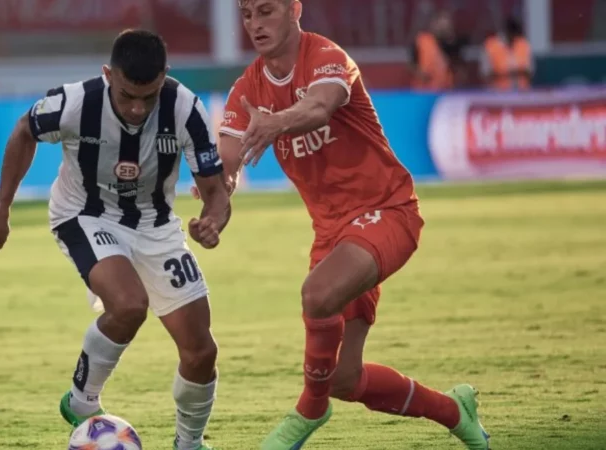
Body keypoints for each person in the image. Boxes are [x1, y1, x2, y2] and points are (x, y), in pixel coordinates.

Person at [215, 1, 490, 449]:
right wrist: (217, 197)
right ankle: (455, 411)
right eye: (247, 15)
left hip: (389, 210)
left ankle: (309, 410)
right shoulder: (247, 88)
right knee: (343, 378)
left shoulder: (328, 57)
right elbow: (227, 158)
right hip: (333, 235)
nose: (255, 24)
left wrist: (276, 124)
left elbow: (319, 107)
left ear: (294, 9)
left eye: (266, 11)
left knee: (317, 293)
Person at [0, 29, 231, 450]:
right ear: (108, 75)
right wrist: (1, 209)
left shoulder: (185, 108)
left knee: (201, 350)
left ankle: (188, 443)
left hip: (156, 226)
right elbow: (24, 131)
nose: (137, 109)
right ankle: (81, 401)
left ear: (165, 76)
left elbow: (215, 191)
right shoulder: (75, 102)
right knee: (129, 304)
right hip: (84, 214)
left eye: (149, 97)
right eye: (127, 96)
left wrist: (213, 220)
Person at [410, 10, 468, 91]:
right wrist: (420, 74)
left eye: (446, 25)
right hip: (424, 90)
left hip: (446, 90)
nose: (443, 28)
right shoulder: (422, 41)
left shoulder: (452, 44)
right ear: (433, 24)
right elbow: (411, 64)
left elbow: (460, 70)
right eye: (441, 25)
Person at [480, 17, 533, 91]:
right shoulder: (491, 45)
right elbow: (486, 74)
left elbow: (530, 72)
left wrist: (518, 72)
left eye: (515, 35)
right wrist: (506, 73)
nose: (513, 37)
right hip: (497, 93)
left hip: (522, 92)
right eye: (511, 34)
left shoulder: (523, 44)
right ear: (505, 32)